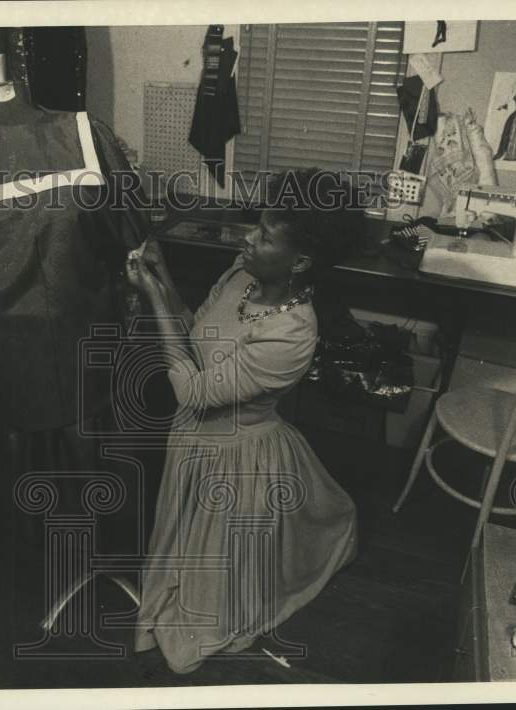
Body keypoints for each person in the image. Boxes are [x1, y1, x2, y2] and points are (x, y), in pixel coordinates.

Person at [127, 170, 359, 674]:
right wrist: (162, 275)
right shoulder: (241, 275)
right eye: (257, 226)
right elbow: (194, 332)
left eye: (265, 236)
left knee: (206, 607)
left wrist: (150, 297)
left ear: (300, 262)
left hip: (235, 463)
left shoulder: (293, 333)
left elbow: (193, 391)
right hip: (192, 440)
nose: (248, 238)